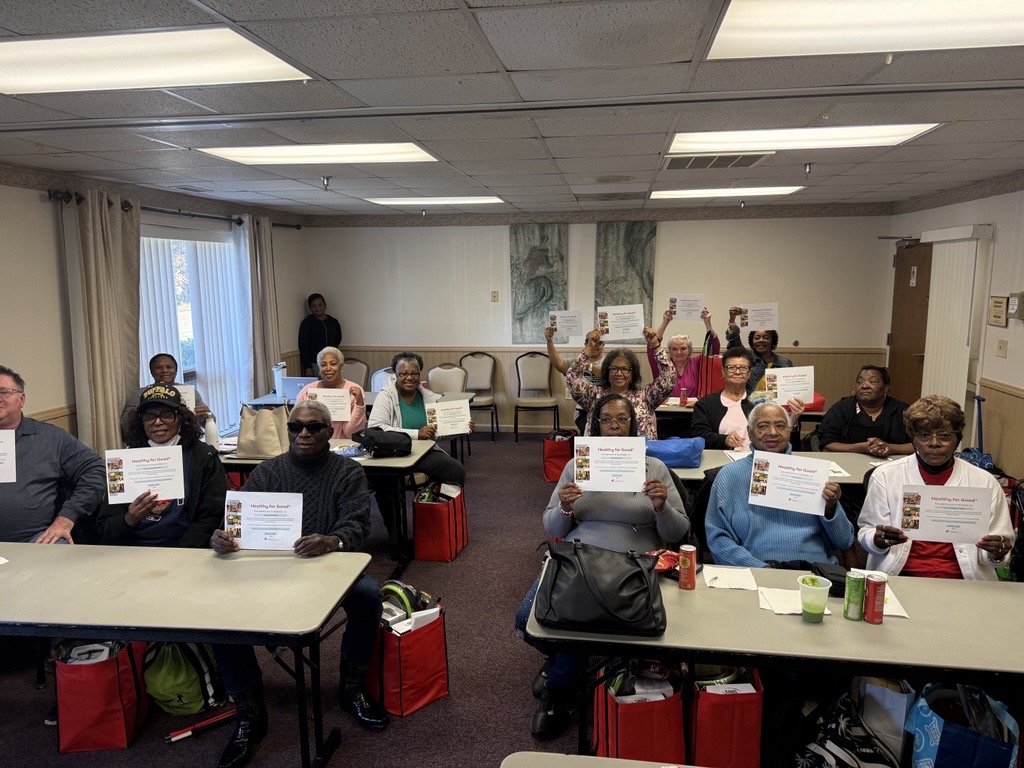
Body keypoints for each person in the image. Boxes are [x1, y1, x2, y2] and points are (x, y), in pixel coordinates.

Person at [209, 400, 388, 768]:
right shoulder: (268, 471)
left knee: (369, 595)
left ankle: (351, 689)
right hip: (269, 565)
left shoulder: (348, 472)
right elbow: (237, 525)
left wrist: (331, 540)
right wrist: (224, 538)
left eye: (314, 427)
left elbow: (357, 526)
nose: (303, 434)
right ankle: (250, 713)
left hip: (329, 564)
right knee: (217, 613)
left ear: (328, 431)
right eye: (296, 427)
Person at [514, 394, 689, 739]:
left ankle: (559, 689)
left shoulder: (653, 468)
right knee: (526, 620)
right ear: (596, 426)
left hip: (635, 563)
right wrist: (565, 508)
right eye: (606, 420)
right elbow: (552, 526)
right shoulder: (577, 465)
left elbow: (677, 531)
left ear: (632, 425)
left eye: (621, 420)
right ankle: (559, 661)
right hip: (579, 556)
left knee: (589, 617)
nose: (613, 427)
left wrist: (660, 506)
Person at [857, 395, 1014, 580]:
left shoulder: (984, 482)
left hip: (963, 580)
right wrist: (878, 539)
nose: (934, 443)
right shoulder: (886, 476)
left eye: (944, 436)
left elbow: (998, 552)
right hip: (902, 576)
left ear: (957, 439)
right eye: (924, 435)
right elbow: (866, 532)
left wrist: (996, 553)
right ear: (913, 440)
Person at [706, 402, 852, 566]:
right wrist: (760, 569)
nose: (773, 432)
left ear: (789, 432)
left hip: (814, 571)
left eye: (780, 426)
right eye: (763, 426)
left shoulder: (811, 474)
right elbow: (718, 539)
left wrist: (830, 509)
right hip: (758, 569)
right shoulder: (730, 476)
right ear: (750, 433)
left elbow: (843, 541)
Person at [97, 384, 225, 548]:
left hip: (186, 550)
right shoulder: (122, 462)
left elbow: (211, 517)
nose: (157, 422)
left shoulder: (204, 458)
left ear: (181, 417)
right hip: (132, 550)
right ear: (140, 421)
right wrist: (129, 519)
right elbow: (104, 526)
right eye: (149, 416)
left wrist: (180, 554)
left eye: (166, 414)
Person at [367, 352, 470, 549]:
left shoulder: (429, 397)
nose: (409, 378)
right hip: (393, 454)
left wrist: (461, 427)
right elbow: (377, 428)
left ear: (419, 375)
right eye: (403, 373)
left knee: (455, 470)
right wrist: (416, 433)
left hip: (422, 452)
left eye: (413, 373)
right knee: (387, 484)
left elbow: (438, 431)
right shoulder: (386, 396)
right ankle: (396, 537)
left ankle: (440, 521)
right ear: (396, 375)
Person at [0, 364, 105, 544]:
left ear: (22, 399)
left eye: (3, 392)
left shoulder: (50, 438)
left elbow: (95, 469)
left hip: (37, 540)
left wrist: (67, 516)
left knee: (60, 562)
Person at [565, 328, 673, 439]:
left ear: (633, 373)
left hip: (639, 454)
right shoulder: (593, 395)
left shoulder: (646, 396)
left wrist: (655, 345)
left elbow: (668, 379)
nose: (619, 373)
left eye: (625, 369)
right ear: (607, 372)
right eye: (614, 368)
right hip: (600, 453)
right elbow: (572, 378)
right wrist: (589, 347)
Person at [691, 348, 803, 451]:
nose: (738, 372)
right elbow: (699, 434)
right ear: (723, 372)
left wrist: (794, 416)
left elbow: (778, 434)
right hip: (720, 459)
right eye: (731, 368)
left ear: (749, 373)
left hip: (757, 459)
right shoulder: (706, 403)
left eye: (743, 368)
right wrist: (724, 440)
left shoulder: (762, 402)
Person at [817, 366, 912, 458]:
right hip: (848, 463)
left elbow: (919, 443)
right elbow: (827, 443)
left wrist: (890, 448)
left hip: (893, 465)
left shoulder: (902, 410)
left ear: (886, 388)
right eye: (860, 382)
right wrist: (861, 448)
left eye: (873, 381)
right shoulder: (842, 408)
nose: (864, 385)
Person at [121, 353, 212, 437]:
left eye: (169, 367)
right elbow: (125, 427)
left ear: (176, 370)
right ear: (152, 372)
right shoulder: (140, 394)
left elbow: (210, 424)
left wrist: (207, 416)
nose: (164, 371)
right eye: (158, 368)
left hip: (186, 441)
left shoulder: (190, 392)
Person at [295, 346, 367, 439]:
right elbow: (298, 427)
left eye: (333, 364)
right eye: (323, 365)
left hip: (343, 447)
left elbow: (352, 434)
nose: (328, 368)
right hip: (313, 445)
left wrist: (359, 405)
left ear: (341, 366)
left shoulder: (355, 391)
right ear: (319, 369)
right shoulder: (307, 391)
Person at [649, 306, 720, 398]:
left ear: (689, 350)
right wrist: (665, 322)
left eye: (683, 348)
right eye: (674, 349)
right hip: (665, 411)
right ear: (669, 350)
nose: (679, 352)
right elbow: (652, 346)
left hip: (693, 410)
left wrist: (708, 324)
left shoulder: (698, 363)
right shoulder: (663, 365)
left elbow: (713, 349)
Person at [545, 325, 605, 434]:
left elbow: (605, 375)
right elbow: (558, 364)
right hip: (583, 412)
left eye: (599, 342)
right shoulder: (577, 362)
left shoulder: (610, 361)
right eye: (591, 341)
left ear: (603, 345)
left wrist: (588, 366)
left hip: (605, 410)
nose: (595, 345)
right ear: (585, 344)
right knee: (591, 432)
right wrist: (549, 341)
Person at [725, 306, 793, 396]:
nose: (761, 340)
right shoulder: (746, 357)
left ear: (772, 340)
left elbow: (790, 387)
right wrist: (732, 319)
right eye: (757, 338)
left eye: (766, 337)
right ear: (752, 341)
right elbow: (734, 341)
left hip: (775, 404)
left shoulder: (785, 362)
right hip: (749, 403)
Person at [298, 293, 343, 376]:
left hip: (332, 361)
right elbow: (303, 345)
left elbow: (338, 339)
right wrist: (307, 367)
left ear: (325, 305)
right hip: (315, 363)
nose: (317, 308)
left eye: (320, 305)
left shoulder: (333, 322)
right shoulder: (307, 323)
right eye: (314, 306)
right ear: (310, 308)